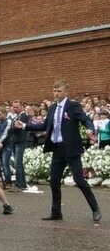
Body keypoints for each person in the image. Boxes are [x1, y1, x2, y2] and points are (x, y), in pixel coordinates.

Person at [14, 80, 101, 222]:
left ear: (66, 91)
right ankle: (56, 212)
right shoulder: (53, 107)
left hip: (71, 149)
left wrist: (90, 128)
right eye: (54, 91)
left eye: (59, 91)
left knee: (79, 181)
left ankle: (95, 208)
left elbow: (85, 119)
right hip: (57, 149)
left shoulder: (73, 106)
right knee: (54, 181)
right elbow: (44, 126)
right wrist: (24, 125)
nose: (56, 93)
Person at [8, 100, 29, 192]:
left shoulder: (24, 116)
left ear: (22, 107)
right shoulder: (16, 117)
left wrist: (12, 127)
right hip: (15, 141)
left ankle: (19, 184)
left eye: (17, 107)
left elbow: (16, 128)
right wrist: (12, 127)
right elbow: (11, 129)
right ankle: (21, 183)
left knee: (18, 163)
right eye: (14, 107)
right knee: (18, 163)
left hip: (21, 141)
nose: (15, 109)